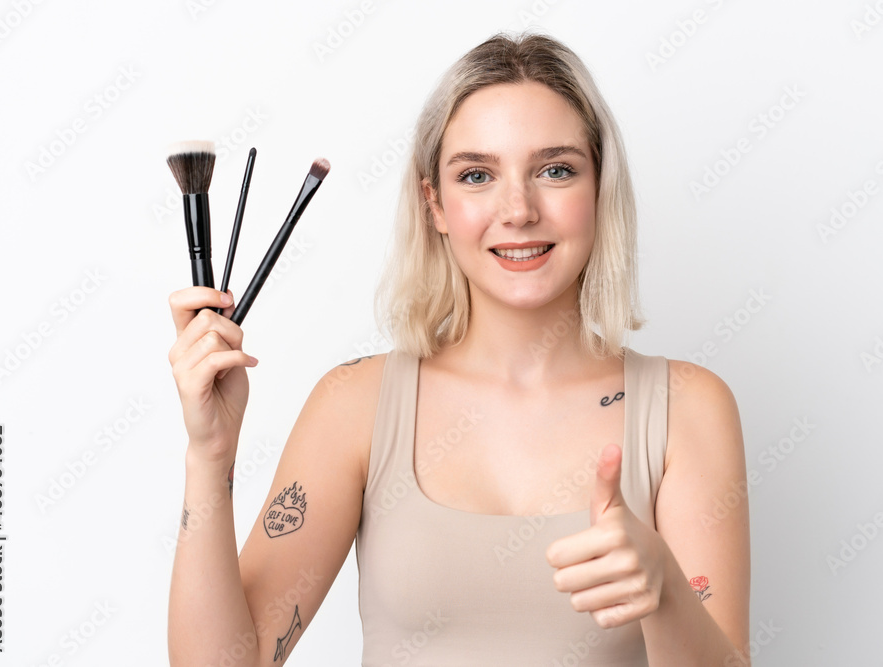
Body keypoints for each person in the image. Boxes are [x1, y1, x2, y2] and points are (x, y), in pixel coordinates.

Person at [167, 32, 750, 666]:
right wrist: (208, 453)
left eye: (555, 170)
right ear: (435, 203)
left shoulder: (688, 409)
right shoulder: (355, 405)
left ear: (600, 186)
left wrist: (662, 585)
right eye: (477, 175)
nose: (519, 210)